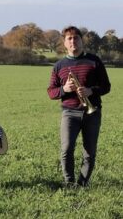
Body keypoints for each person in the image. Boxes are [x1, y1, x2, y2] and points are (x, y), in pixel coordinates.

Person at [47, 26, 111, 187]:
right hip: (69, 113)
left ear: (82, 41)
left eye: (76, 38)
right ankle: (69, 182)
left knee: (89, 152)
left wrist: (91, 90)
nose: (73, 41)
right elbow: (51, 92)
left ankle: (82, 183)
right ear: (64, 43)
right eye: (69, 39)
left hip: (92, 112)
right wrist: (64, 89)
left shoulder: (94, 61)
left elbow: (106, 86)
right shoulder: (59, 66)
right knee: (66, 149)